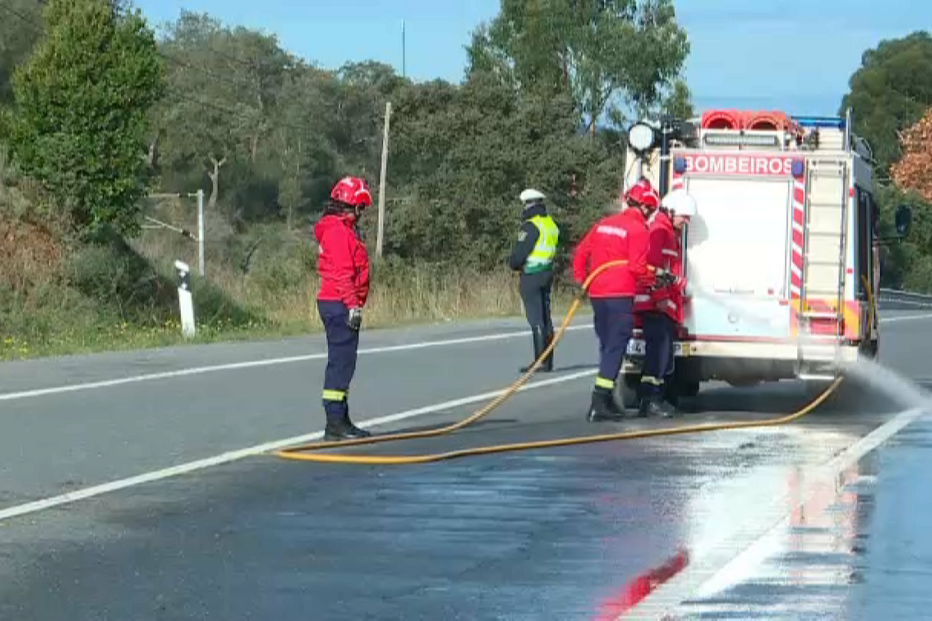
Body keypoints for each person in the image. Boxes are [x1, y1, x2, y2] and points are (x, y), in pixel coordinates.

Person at [572, 178, 676, 422]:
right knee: (616, 345)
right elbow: (638, 268)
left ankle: (605, 398)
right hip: (619, 294)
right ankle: (599, 402)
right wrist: (657, 278)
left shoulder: (603, 224)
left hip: (597, 293)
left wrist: (582, 280)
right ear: (647, 208)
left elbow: (580, 253)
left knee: (608, 345)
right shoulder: (639, 230)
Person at [314, 175, 374, 441]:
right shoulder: (338, 232)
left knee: (344, 363)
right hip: (339, 304)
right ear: (352, 206)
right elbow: (342, 273)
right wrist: (353, 306)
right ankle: (335, 423)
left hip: (338, 303)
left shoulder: (339, 228)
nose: (362, 214)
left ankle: (341, 419)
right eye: (361, 208)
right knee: (340, 364)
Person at [635, 188, 694, 417]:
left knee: (662, 353)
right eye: (684, 216)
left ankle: (653, 398)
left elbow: (668, 270)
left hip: (661, 303)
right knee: (657, 354)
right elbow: (652, 269)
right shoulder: (660, 231)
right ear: (671, 211)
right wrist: (660, 297)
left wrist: (680, 289)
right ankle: (650, 400)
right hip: (654, 304)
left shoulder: (669, 232)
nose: (686, 221)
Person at [508, 188, 560, 373]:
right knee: (547, 318)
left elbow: (520, 254)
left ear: (528, 205)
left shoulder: (531, 226)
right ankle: (549, 361)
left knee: (536, 319)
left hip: (531, 274)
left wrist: (513, 264)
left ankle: (540, 362)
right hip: (547, 273)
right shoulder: (550, 224)